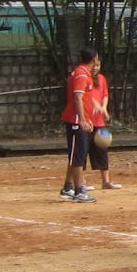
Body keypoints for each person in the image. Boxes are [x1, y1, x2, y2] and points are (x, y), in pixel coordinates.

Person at [59, 46, 100, 203]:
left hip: (78, 119)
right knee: (78, 156)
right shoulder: (82, 74)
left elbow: (84, 98)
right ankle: (79, 190)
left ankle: (68, 187)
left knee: (76, 154)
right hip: (75, 121)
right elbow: (77, 98)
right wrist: (82, 119)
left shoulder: (82, 73)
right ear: (94, 59)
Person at [86, 53, 122, 190]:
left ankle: (106, 181)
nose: (95, 68)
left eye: (98, 65)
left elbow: (105, 95)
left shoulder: (101, 79)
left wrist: (104, 109)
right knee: (83, 151)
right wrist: (95, 104)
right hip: (87, 120)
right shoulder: (84, 78)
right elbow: (85, 95)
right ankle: (81, 181)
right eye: (93, 65)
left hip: (99, 121)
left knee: (102, 151)